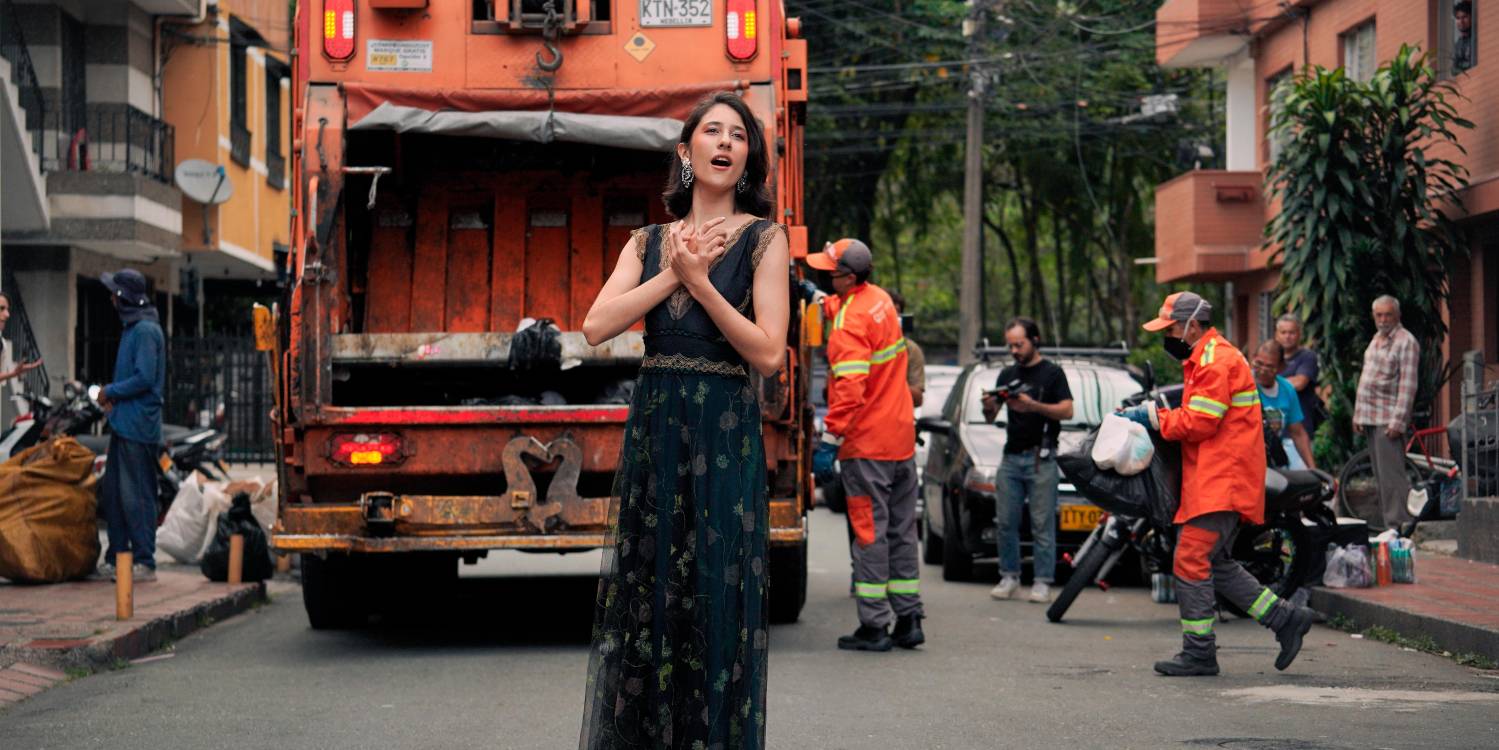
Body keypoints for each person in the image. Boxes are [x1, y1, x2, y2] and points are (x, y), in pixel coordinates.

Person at [578, 92, 789, 750]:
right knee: (650, 601)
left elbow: (768, 352)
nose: (725, 142)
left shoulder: (764, 238)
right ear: (686, 152)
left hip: (724, 426)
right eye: (711, 131)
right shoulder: (645, 242)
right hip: (658, 427)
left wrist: (701, 285)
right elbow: (594, 326)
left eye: (738, 135)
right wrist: (675, 272)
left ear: (747, 157)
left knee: (714, 599)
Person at [1120, 291, 1316, 677]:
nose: (1169, 336)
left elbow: (1199, 423)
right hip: (1220, 475)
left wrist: (1154, 419)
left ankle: (1198, 652)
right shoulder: (1206, 359)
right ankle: (1285, 619)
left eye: (1172, 328)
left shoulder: (1215, 361)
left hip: (1222, 478)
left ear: (1192, 324)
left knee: (1191, 559)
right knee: (1217, 564)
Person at [807, 237, 925, 652]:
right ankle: (909, 619)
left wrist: (828, 439)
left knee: (869, 534)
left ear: (849, 277)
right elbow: (856, 318)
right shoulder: (879, 301)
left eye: (830, 272)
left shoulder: (848, 325)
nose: (826, 274)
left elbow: (850, 391)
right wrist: (822, 300)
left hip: (867, 445)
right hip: (900, 439)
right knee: (901, 530)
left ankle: (874, 626)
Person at [980, 317, 1073, 604]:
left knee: (1042, 523)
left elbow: (1067, 411)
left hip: (1041, 457)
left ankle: (1043, 581)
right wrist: (990, 406)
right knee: (1006, 521)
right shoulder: (1007, 374)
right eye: (1010, 345)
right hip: (1011, 456)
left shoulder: (1053, 374)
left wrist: (1033, 406)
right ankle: (1009, 576)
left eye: (1019, 344)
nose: (1015, 351)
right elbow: (991, 416)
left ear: (1035, 340)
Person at [96, 270, 166, 584]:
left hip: (139, 427)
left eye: (114, 292)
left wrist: (111, 391)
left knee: (136, 495)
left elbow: (145, 378)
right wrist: (113, 400)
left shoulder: (146, 331)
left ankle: (144, 561)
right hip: (123, 423)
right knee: (113, 495)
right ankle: (117, 557)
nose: (110, 298)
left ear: (123, 297)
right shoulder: (131, 329)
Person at [1353, 294, 1421, 533]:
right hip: (1370, 417)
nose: (1383, 319)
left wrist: (1398, 421)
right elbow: (1367, 379)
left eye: (1388, 314)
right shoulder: (1376, 339)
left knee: (1392, 477)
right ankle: (1390, 525)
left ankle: (1400, 526)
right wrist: (1358, 415)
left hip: (1388, 420)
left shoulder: (1405, 341)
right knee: (1381, 477)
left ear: (1397, 315)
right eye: (1379, 315)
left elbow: (1408, 386)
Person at [1252, 340, 1316, 470]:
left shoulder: (1286, 389)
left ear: (1281, 367)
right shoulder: (1244, 384)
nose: (1263, 370)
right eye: (1258, 364)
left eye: (1270, 367)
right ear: (1253, 359)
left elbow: (1298, 433)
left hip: (1272, 461)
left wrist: (1313, 470)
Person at [1275, 313, 1323, 437]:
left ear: (1299, 334)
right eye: (1283, 332)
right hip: (1274, 430)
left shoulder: (1307, 356)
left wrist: (1270, 382)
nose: (1287, 336)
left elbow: (1299, 383)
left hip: (1299, 431)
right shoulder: (1271, 356)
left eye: (1292, 333)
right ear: (1277, 334)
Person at [0, 293, 44, 409]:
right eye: (1, 309)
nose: (7, 314)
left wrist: (14, 373)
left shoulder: (2, 344)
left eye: (7, 309)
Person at [888, 291, 926, 409]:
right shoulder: (863, 343)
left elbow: (918, 398)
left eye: (896, 313)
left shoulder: (910, 350)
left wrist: (892, 385)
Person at [1455, 1, 1475, 73]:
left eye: (1464, 17)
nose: (1461, 21)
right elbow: (1453, 70)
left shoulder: (1476, 39)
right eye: (1458, 18)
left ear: (1471, 17)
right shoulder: (1458, 44)